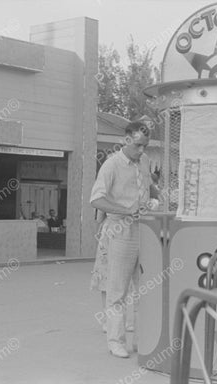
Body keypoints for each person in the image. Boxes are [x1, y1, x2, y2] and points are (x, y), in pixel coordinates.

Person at [90, 120, 151, 358]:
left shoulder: (144, 162)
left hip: (144, 229)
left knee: (144, 288)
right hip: (120, 230)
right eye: (138, 145)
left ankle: (142, 339)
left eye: (145, 145)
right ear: (126, 140)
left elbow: (148, 187)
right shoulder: (111, 165)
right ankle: (115, 341)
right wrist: (126, 210)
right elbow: (96, 199)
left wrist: (154, 199)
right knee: (117, 290)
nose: (142, 150)